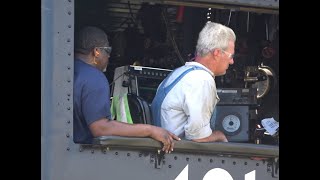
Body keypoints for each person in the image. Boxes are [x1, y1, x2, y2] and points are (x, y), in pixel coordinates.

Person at [73, 26, 180, 153]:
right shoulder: (94, 77)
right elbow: (100, 128)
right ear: (96, 52)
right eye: (108, 51)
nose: (108, 57)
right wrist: (150, 130)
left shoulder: (67, 71)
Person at [152, 22, 236, 143]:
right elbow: (198, 137)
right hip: (179, 156)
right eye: (231, 56)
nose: (232, 61)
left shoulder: (179, 73)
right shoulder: (202, 79)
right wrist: (220, 136)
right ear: (217, 53)